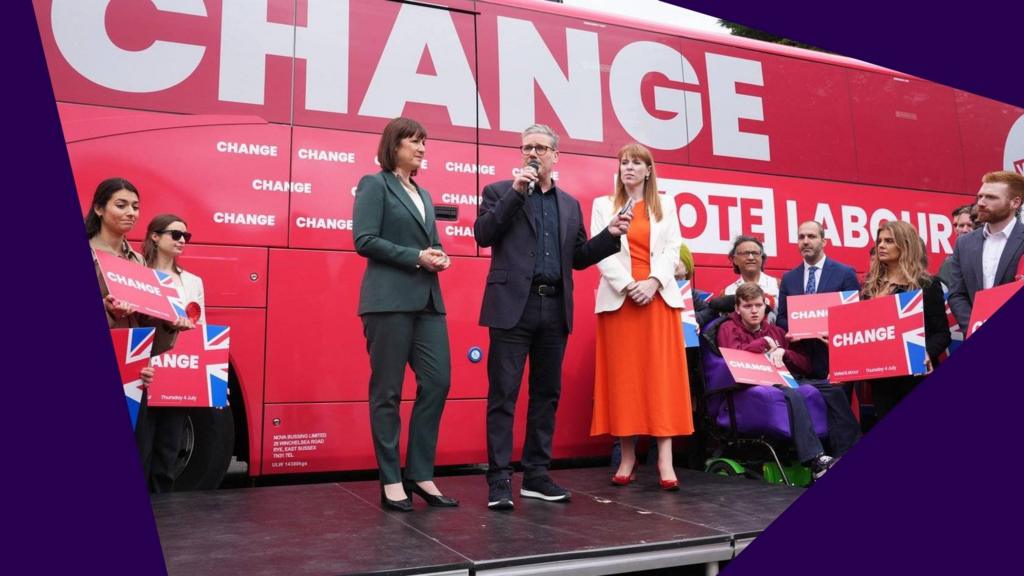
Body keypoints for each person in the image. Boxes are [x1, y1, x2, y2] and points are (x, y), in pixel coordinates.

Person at [475, 124, 630, 510]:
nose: (533, 153)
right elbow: (484, 234)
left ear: (555, 156)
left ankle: (536, 474)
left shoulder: (569, 205)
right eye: (527, 147)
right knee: (503, 395)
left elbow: (577, 259)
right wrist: (517, 191)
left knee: (546, 395)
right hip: (513, 305)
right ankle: (498, 479)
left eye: (541, 148)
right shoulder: (498, 192)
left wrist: (609, 234)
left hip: (554, 307)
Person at [353, 117, 457, 512]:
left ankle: (420, 473)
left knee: (438, 382)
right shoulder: (374, 184)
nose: (421, 148)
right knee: (388, 393)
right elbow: (364, 240)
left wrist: (439, 254)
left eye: (424, 142)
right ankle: (391, 480)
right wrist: (416, 257)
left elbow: (431, 240)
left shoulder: (424, 194)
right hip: (388, 302)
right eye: (414, 141)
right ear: (393, 145)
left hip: (428, 301)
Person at [590, 143, 693, 491]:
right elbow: (599, 251)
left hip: (658, 300)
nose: (628, 167)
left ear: (649, 169)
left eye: (636, 162)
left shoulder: (667, 204)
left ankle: (665, 459)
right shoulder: (603, 205)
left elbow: (672, 249)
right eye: (623, 162)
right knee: (625, 380)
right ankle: (628, 456)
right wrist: (630, 285)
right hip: (620, 301)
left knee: (660, 379)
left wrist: (652, 283)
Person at [86, 178, 185, 472]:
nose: (131, 212)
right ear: (99, 209)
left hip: (134, 374)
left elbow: (146, 325)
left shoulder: (140, 263)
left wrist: (170, 323)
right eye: (121, 205)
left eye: (136, 207)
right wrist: (110, 313)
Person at [717, 283, 860, 479]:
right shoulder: (728, 327)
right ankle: (815, 461)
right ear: (737, 308)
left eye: (758, 305)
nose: (754, 311)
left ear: (765, 306)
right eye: (747, 306)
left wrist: (785, 353)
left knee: (833, 389)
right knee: (793, 393)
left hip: (785, 378)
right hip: (752, 382)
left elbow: (806, 366)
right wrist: (764, 343)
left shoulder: (775, 330)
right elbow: (735, 359)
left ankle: (844, 452)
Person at [861, 221, 951, 420]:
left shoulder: (926, 285)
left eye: (889, 241)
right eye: (879, 241)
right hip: (881, 376)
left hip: (914, 377)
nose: (881, 245)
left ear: (905, 245)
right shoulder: (869, 286)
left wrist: (926, 352)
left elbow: (942, 333)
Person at [140, 214, 204, 493]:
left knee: (169, 447)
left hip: (178, 372)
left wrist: (186, 326)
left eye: (185, 237)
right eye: (175, 235)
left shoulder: (193, 281)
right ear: (155, 236)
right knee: (140, 445)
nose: (182, 241)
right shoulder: (138, 272)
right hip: (141, 370)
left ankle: (163, 514)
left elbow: (200, 327)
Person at [776, 221, 861, 380]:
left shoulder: (845, 273)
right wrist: (799, 329)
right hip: (800, 361)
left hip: (836, 360)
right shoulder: (789, 278)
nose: (806, 241)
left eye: (812, 236)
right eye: (801, 237)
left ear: (823, 242)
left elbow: (856, 318)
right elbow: (781, 318)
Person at [947, 171, 1024, 333]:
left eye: (991, 197)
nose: (981, 203)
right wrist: (975, 327)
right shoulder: (964, 243)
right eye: (980, 196)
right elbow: (957, 294)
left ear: (1015, 203)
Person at [935, 204, 974, 288]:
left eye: (969, 225)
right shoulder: (950, 263)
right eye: (960, 226)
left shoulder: (990, 256)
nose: (964, 230)